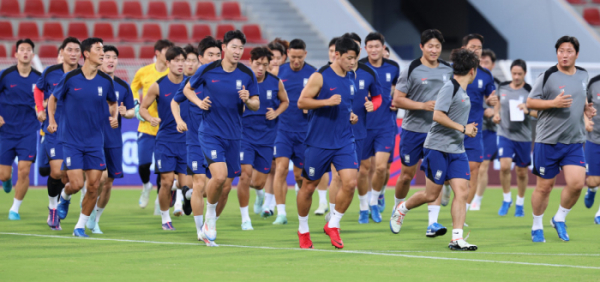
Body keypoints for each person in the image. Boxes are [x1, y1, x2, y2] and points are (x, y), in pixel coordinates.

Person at [390, 48, 480, 251]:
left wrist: (466, 129)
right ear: (473, 71)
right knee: (431, 195)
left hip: (457, 150)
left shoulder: (462, 90)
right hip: (437, 148)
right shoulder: (450, 87)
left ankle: (456, 238)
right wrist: (463, 128)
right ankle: (401, 208)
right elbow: (437, 115)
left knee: (462, 192)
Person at [183, 30, 259, 245]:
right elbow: (188, 89)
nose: (238, 51)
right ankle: (210, 218)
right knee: (218, 176)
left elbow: (256, 103)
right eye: (234, 47)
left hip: (234, 136)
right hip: (210, 132)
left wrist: (248, 100)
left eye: (241, 48)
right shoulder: (208, 69)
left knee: (226, 185)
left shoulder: (247, 73)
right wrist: (199, 103)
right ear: (224, 47)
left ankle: (209, 217)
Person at [526, 36, 596, 242]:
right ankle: (537, 226)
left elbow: (581, 99)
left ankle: (559, 218)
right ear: (557, 53)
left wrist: (586, 109)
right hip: (547, 141)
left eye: (569, 51)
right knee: (544, 187)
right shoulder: (547, 75)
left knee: (576, 184)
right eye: (561, 51)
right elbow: (530, 102)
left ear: (577, 54)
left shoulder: (583, 75)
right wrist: (553, 103)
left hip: (574, 141)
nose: (564, 55)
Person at [49, 37, 118, 237]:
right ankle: (64, 196)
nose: (103, 53)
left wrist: (114, 116)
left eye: (103, 49)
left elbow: (113, 103)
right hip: (72, 140)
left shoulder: (106, 81)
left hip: (96, 141)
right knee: (77, 184)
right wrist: (52, 120)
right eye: (99, 49)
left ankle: (79, 226)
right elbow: (53, 99)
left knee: (94, 185)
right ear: (86, 54)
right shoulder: (71, 78)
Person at [296, 36, 360, 249]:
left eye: (355, 58)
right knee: (308, 187)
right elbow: (302, 102)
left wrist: (350, 115)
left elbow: (345, 104)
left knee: (350, 183)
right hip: (319, 141)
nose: (352, 62)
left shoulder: (352, 77)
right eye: (349, 58)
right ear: (337, 55)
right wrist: (326, 102)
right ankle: (303, 230)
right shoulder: (320, 76)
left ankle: (333, 224)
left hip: (344, 140)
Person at [392, 29, 453, 236]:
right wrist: (422, 105)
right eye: (430, 46)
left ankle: (432, 223)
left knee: (433, 178)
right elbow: (397, 100)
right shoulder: (411, 69)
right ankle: (398, 208)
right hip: (412, 131)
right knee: (406, 176)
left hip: (437, 132)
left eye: (437, 46)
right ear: (422, 47)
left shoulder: (448, 69)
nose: (434, 50)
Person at [325, 33, 381, 224]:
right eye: (350, 53)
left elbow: (378, 96)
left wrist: (373, 105)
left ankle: (364, 207)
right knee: (337, 177)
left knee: (363, 170)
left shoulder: (368, 73)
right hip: (334, 131)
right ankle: (332, 215)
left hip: (359, 130)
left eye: (356, 52)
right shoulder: (326, 73)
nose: (353, 56)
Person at [171, 36, 221, 244]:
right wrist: (179, 120)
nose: (215, 58)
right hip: (194, 141)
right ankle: (201, 231)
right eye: (210, 55)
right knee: (199, 184)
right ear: (201, 58)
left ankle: (209, 219)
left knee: (218, 184)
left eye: (218, 55)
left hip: (218, 141)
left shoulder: (224, 80)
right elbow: (175, 102)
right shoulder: (190, 83)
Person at [85, 45, 135, 234]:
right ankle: (86, 209)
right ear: (99, 59)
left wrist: (126, 113)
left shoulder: (123, 86)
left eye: (114, 57)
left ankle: (95, 218)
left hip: (113, 139)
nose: (111, 60)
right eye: (107, 57)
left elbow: (131, 110)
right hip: (92, 137)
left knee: (108, 183)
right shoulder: (90, 81)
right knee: (100, 177)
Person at [238, 46, 289, 230]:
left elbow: (286, 101)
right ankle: (245, 219)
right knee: (244, 175)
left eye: (265, 65)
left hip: (267, 137)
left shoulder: (275, 82)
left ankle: (260, 196)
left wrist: (276, 112)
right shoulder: (241, 79)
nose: (260, 68)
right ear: (250, 62)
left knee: (258, 182)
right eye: (257, 64)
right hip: (244, 135)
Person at [34, 37, 81, 230]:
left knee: (69, 179)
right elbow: (38, 89)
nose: (72, 53)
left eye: (76, 50)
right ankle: (53, 208)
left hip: (76, 133)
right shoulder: (51, 72)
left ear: (81, 54)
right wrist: (39, 108)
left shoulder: (85, 74)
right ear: (61, 52)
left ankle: (63, 198)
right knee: (55, 171)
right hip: (53, 129)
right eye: (69, 50)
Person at [140, 46, 187, 230]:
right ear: (168, 63)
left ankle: (187, 202)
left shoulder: (191, 84)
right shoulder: (158, 85)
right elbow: (143, 108)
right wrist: (150, 118)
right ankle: (165, 218)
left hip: (187, 141)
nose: (180, 64)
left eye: (183, 60)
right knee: (166, 181)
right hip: (166, 140)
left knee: (187, 186)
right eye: (176, 61)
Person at [271, 39, 316, 225]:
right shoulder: (278, 72)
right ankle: (280, 213)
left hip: (305, 131)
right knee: (280, 169)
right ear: (287, 54)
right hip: (282, 130)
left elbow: (320, 99)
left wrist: (310, 108)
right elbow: (271, 97)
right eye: (293, 57)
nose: (296, 61)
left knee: (300, 175)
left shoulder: (314, 73)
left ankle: (301, 206)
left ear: (305, 54)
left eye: (299, 57)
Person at [0, 38, 42, 220]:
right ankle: (6, 180)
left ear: (32, 55)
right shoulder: (5, 75)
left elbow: (47, 101)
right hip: (6, 131)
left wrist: (42, 111)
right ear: (16, 54)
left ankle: (14, 209)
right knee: (3, 174)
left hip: (28, 131)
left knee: (24, 170)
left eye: (28, 50)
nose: (25, 52)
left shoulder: (39, 78)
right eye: (22, 49)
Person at [359, 32, 400, 217]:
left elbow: (401, 90)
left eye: (377, 46)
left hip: (386, 124)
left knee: (382, 167)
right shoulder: (358, 67)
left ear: (383, 48)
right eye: (370, 46)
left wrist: (396, 100)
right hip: (363, 125)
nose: (374, 50)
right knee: (364, 169)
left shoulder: (393, 67)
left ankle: (374, 201)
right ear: (365, 48)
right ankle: (363, 206)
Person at [133, 39, 174, 213]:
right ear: (157, 52)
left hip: (165, 129)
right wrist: (136, 104)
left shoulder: (173, 74)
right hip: (146, 126)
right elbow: (133, 88)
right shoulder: (144, 72)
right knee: (143, 164)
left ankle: (160, 201)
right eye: (166, 51)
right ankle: (145, 186)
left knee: (161, 168)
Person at [458, 34, 497, 211]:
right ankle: (444, 188)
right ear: (464, 48)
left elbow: (491, 98)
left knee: (475, 169)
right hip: (451, 129)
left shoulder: (486, 75)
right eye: (472, 46)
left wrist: (491, 103)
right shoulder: (451, 70)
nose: (476, 50)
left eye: (479, 47)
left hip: (474, 129)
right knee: (444, 170)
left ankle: (464, 212)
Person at [492, 59, 535, 217]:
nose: (516, 77)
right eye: (514, 73)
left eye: (519, 74)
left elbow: (538, 112)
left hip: (523, 136)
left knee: (522, 172)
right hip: (505, 134)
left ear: (525, 74)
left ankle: (520, 203)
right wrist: (496, 114)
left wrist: (527, 110)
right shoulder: (502, 87)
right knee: (504, 166)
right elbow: (497, 103)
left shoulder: (530, 91)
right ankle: (506, 199)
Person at [259, 39, 288, 216]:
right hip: (262, 127)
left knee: (278, 167)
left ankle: (270, 205)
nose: (275, 61)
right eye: (272, 57)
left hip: (283, 127)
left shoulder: (287, 75)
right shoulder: (259, 76)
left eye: (278, 57)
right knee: (268, 167)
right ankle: (259, 195)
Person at [471, 49, 502, 210]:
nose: (483, 65)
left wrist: (495, 113)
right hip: (471, 128)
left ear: (493, 64)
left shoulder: (496, 83)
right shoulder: (469, 78)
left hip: (489, 130)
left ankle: (477, 198)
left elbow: (501, 103)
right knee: (469, 166)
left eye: (487, 62)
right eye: (481, 62)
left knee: (482, 166)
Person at [585, 73, 600, 224]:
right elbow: (584, 106)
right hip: (594, 139)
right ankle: (592, 190)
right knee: (593, 181)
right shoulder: (594, 83)